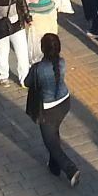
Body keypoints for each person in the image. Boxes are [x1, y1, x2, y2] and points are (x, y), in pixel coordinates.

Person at [22, 32, 80, 186]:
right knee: (54, 132)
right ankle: (54, 167)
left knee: (51, 144)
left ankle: (70, 170)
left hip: (47, 109)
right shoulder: (62, 62)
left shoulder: (38, 68)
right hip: (64, 103)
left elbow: (27, 82)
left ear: (43, 49)